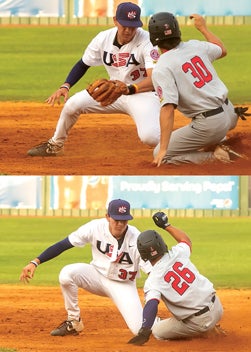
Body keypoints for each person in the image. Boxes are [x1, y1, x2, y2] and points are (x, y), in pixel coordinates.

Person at [27, 2, 160, 157]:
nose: (129, 30)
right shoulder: (103, 38)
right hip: (113, 92)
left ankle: (177, 145)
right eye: (125, 25)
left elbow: (154, 78)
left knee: (150, 137)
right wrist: (66, 85)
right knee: (72, 105)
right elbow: (83, 64)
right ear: (115, 20)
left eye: (133, 26)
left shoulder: (147, 41)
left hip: (142, 94)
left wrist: (130, 88)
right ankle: (55, 145)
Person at [19, 199, 152, 336]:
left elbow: (152, 271)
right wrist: (35, 261)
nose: (120, 224)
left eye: (124, 220)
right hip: (96, 276)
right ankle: (73, 322)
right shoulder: (95, 227)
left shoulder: (137, 238)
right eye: (116, 219)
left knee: (138, 330)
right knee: (67, 273)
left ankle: (160, 322)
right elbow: (64, 244)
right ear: (107, 217)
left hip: (123, 285)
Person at [148, 12, 245, 166]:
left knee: (162, 155)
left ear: (153, 39)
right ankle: (220, 142)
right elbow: (222, 49)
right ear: (177, 31)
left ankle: (216, 157)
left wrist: (163, 150)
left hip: (211, 125)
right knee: (204, 138)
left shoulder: (162, 67)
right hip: (230, 113)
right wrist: (203, 28)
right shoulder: (196, 45)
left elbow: (167, 108)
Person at [128, 211, 224, 345]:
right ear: (161, 243)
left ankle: (205, 332)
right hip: (218, 308)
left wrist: (144, 331)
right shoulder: (178, 252)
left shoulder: (153, 280)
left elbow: (151, 305)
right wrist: (167, 225)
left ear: (143, 255)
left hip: (199, 323)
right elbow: (186, 241)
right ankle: (211, 326)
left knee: (157, 331)